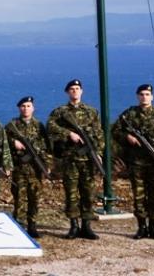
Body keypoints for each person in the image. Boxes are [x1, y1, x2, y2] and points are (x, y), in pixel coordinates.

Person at [113, 84, 154, 240]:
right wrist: (127, 137)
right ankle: (141, 227)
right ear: (137, 96)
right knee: (139, 196)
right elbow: (115, 131)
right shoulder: (129, 114)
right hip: (137, 162)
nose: (144, 97)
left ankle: (153, 227)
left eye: (147, 94)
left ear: (152, 97)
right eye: (141, 94)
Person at [48, 79, 104, 240]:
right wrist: (68, 134)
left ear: (82, 91)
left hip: (87, 159)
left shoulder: (91, 112)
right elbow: (50, 127)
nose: (75, 91)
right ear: (67, 92)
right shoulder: (60, 112)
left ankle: (86, 226)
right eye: (72, 89)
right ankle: (73, 226)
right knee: (71, 193)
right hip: (70, 159)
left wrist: (98, 152)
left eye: (77, 88)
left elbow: (99, 134)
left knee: (88, 193)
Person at [6, 96, 49, 238]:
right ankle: (18, 225)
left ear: (33, 108)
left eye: (28, 106)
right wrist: (14, 142)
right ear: (19, 108)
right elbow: (3, 142)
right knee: (19, 198)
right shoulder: (12, 125)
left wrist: (46, 165)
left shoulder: (39, 126)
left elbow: (46, 146)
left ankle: (32, 226)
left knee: (34, 198)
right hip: (19, 168)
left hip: (35, 169)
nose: (26, 109)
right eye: (23, 106)